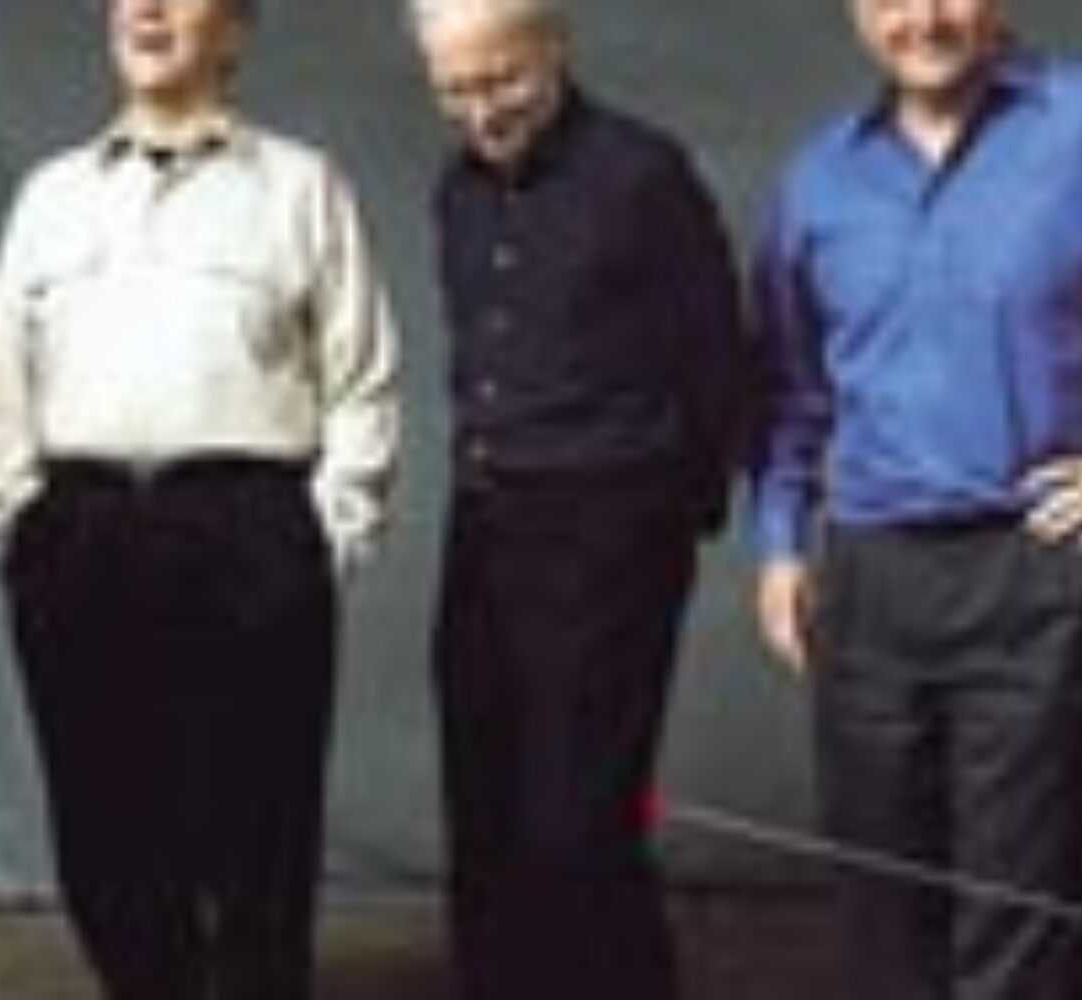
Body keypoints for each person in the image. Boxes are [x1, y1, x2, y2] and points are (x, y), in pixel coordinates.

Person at [750, 1, 1082, 998]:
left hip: (1042, 565)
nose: (921, 18)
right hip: (868, 577)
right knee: (883, 912)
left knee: (1023, 920)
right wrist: (779, 545)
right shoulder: (818, 180)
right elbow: (789, 390)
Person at [0, 0, 400, 996]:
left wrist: (327, 534)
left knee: (259, 835)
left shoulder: (301, 185)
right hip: (82, 534)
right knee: (106, 837)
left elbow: (362, 376)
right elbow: (3, 379)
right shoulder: (49, 196)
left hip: (247, 532)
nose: (147, 9)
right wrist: (17, 521)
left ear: (235, 30)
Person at [408, 1, 746, 997]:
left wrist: (656, 523)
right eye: (456, 90)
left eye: (502, 80)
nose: (482, 111)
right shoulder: (454, 191)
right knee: (482, 807)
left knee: (579, 825)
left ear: (553, 48)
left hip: (608, 538)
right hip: (485, 527)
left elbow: (717, 358)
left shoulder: (643, 176)